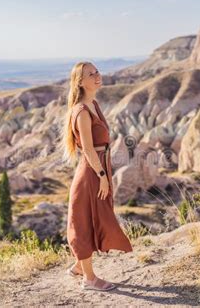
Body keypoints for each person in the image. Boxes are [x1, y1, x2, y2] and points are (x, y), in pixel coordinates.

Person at [60, 61, 133, 291]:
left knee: (96, 217)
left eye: (97, 71)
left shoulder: (94, 104)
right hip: (91, 172)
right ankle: (89, 280)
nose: (97, 76)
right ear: (80, 82)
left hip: (100, 168)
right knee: (84, 220)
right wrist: (102, 175)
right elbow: (89, 149)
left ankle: (80, 266)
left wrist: (104, 173)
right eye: (91, 74)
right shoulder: (81, 111)